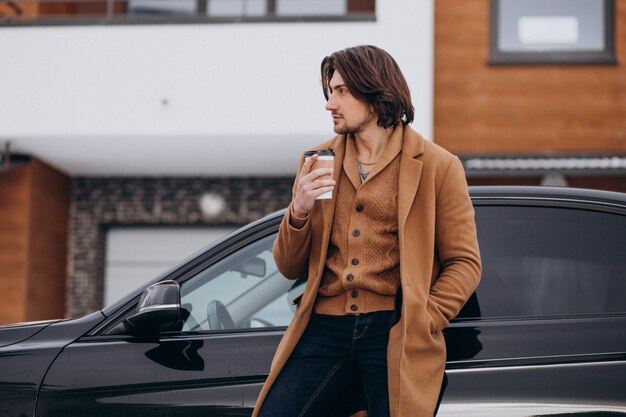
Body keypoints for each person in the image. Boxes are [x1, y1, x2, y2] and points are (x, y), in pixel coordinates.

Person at [253, 45, 481, 417]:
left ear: (376, 94)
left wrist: (426, 318)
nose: (330, 104)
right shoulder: (316, 161)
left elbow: (464, 262)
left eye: (342, 91)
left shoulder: (438, 166)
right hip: (323, 326)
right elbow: (289, 266)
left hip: (392, 330)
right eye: (330, 92)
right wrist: (299, 210)